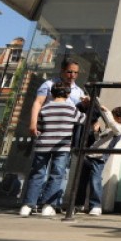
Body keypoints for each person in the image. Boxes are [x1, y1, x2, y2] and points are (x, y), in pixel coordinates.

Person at [29, 58, 88, 210]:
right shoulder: (48, 85)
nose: (72, 75)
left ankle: (53, 203)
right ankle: (34, 203)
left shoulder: (78, 91)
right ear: (62, 71)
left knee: (60, 170)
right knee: (41, 170)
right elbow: (38, 103)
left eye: (75, 72)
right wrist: (33, 123)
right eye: (69, 72)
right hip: (47, 132)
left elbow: (79, 113)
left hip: (65, 136)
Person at [20, 82, 85, 217]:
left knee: (37, 173)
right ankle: (48, 205)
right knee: (57, 174)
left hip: (43, 145)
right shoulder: (70, 109)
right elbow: (83, 119)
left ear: (51, 94)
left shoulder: (44, 108)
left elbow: (41, 127)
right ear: (68, 94)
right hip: (62, 146)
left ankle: (28, 205)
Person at [75, 105, 121, 216]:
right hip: (90, 155)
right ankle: (78, 204)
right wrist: (96, 132)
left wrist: (106, 111)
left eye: (114, 116)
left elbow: (112, 124)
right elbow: (99, 141)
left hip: (99, 158)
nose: (110, 117)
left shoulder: (119, 129)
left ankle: (95, 206)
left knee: (95, 181)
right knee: (82, 181)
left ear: (119, 118)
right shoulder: (109, 128)